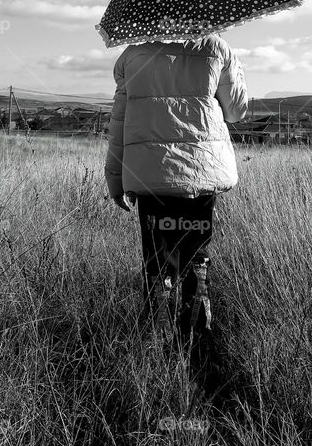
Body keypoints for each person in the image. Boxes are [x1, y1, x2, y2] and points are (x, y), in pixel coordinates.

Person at [104, 33, 248, 355]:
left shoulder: (133, 55)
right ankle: (195, 344)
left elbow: (119, 122)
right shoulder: (215, 46)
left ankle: (154, 346)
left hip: (150, 178)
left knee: (157, 260)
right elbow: (237, 111)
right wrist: (233, 67)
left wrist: (115, 180)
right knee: (196, 258)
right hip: (201, 175)